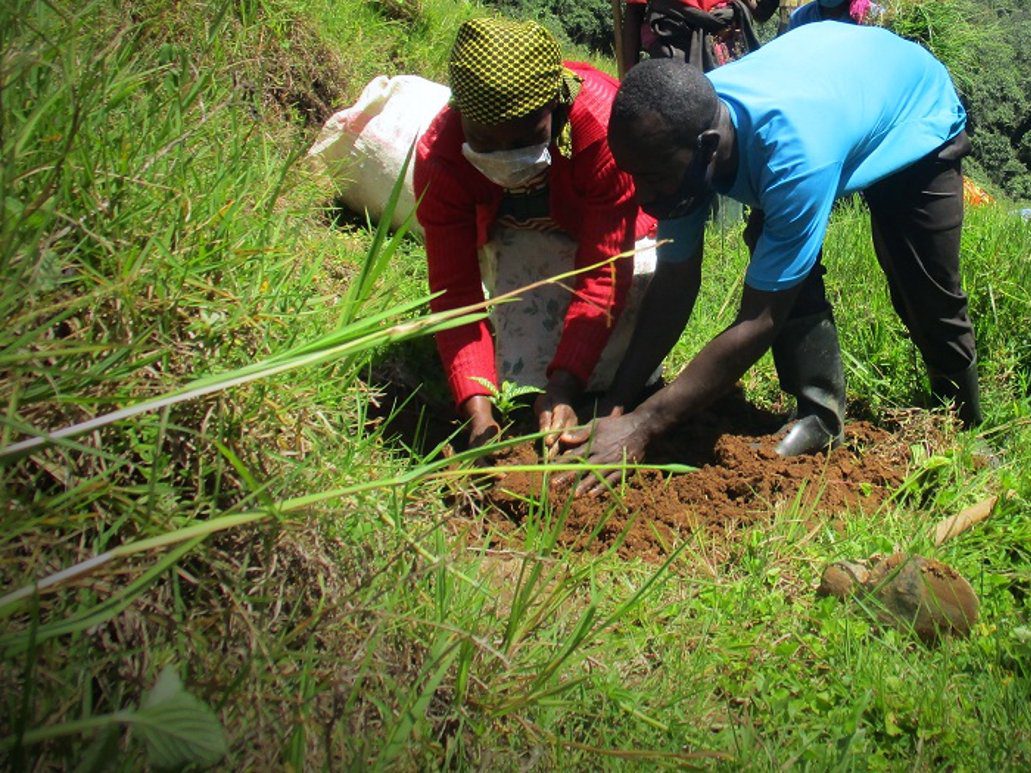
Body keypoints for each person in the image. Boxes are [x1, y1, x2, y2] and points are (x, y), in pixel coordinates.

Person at [560, 24, 982, 493]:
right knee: (772, 240)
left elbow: (758, 319)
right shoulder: (677, 135)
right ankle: (821, 418)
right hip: (837, 89)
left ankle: (964, 422)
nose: (645, 195)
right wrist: (620, 404)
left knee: (923, 288)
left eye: (653, 179)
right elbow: (675, 284)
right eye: (635, 176)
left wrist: (645, 425)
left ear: (708, 148)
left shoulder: (792, 157)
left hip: (913, 113)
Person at [414, 17, 657, 451]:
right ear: (460, 115)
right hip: (517, 238)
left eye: (526, 137)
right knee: (518, 309)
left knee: (641, 281)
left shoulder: (603, 129)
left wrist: (566, 385)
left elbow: (605, 270)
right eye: (485, 142)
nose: (505, 155)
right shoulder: (441, 157)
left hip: (603, 234)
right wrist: (477, 408)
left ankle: (580, 376)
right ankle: (517, 379)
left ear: (556, 107)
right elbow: (454, 291)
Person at [619, 0, 780, 76]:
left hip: (726, 52)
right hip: (675, 52)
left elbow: (760, 12)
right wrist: (629, 80)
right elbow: (635, 12)